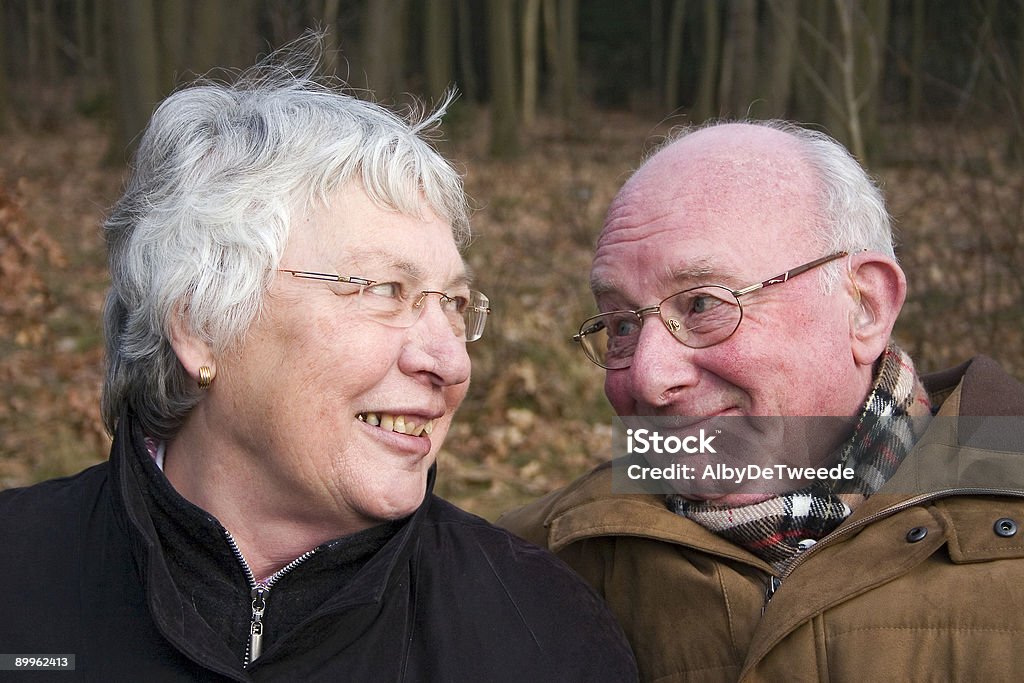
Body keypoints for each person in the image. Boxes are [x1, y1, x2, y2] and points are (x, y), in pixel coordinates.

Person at [0, 42, 638, 681]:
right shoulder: (18, 584)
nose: (450, 361)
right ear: (199, 324)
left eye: (455, 303)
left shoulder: (544, 637)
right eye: (384, 290)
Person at [499, 120, 1024, 681]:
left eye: (702, 305)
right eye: (622, 325)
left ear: (865, 306)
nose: (649, 378)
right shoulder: (527, 566)